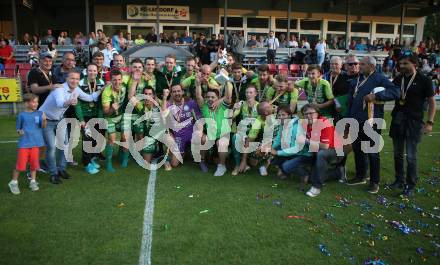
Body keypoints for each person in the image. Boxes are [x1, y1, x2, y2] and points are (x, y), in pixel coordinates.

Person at [346, 56, 400, 193]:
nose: (359, 66)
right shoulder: (357, 79)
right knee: (358, 149)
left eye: (362, 64)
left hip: (372, 120)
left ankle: (374, 182)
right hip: (356, 120)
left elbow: (395, 92)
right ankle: (360, 176)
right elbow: (351, 101)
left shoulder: (380, 78)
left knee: (372, 152)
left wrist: (377, 96)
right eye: (359, 64)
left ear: (372, 66)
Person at [39, 70, 101, 184]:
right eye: (72, 78)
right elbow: (60, 103)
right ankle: (53, 173)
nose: (75, 81)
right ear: (66, 79)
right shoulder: (59, 89)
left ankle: (61, 169)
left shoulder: (76, 89)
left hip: (59, 119)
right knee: (52, 148)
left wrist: (102, 89)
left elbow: (89, 97)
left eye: (77, 79)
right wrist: (69, 102)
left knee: (65, 145)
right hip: (45, 120)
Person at [389, 52, 437, 197]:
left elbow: (432, 102)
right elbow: (389, 93)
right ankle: (399, 179)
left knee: (410, 156)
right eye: (400, 63)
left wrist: (430, 122)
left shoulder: (425, 80)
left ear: (414, 64)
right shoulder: (398, 79)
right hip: (398, 119)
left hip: (414, 122)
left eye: (405, 63)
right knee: (397, 154)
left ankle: (410, 185)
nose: (401, 66)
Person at [300, 104, 344, 197]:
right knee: (311, 178)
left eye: (311, 113)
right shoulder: (306, 124)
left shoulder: (325, 122)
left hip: (335, 151)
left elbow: (325, 146)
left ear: (317, 113)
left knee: (321, 153)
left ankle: (317, 187)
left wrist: (306, 141)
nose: (308, 116)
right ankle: (338, 172)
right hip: (318, 150)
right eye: (305, 114)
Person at [194, 73, 233, 176]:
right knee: (203, 138)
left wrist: (227, 81)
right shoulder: (204, 107)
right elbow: (198, 96)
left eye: (213, 97)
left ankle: (222, 166)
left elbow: (228, 97)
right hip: (211, 136)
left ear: (218, 97)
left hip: (222, 136)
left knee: (222, 143)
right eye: (208, 97)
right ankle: (202, 161)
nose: (210, 99)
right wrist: (198, 84)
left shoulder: (222, 106)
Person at [8, 93, 46, 195]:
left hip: (36, 144)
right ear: (26, 103)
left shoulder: (39, 113)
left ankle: (33, 182)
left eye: (37, 102)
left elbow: (42, 126)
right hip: (24, 145)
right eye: (33, 102)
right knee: (20, 165)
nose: (36, 104)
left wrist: (44, 119)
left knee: (34, 164)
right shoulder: (21, 115)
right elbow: (18, 128)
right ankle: (13, 182)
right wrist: (20, 131)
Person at [271, 106, 313, 187]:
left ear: (289, 115)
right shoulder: (282, 125)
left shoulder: (297, 126)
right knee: (275, 151)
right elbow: (278, 140)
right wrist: (270, 148)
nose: (281, 117)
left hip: (304, 154)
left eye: (283, 115)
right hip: (293, 152)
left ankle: (305, 174)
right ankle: (286, 173)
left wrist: (277, 152)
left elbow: (296, 148)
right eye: (279, 115)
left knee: (286, 165)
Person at [75, 64, 106, 174]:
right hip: (85, 116)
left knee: (94, 139)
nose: (92, 72)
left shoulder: (101, 83)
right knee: (87, 139)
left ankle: (91, 160)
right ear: (86, 71)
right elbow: (77, 104)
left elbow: (101, 102)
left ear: (97, 71)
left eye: (94, 70)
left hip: (96, 115)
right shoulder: (80, 83)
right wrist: (81, 119)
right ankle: (86, 164)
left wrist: (100, 117)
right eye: (90, 70)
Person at [165, 84, 201, 169]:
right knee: (174, 164)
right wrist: (170, 134)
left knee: (203, 139)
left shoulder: (191, 102)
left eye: (178, 91)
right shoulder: (168, 105)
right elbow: (164, 122)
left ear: (182, 91)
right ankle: (179, 153)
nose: (177, 93)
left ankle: (201, 159)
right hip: (179, 136)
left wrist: (199, 131)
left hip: (192, 134)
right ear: (171, 93)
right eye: (174, 92)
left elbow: (199, 118)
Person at [101, 69, 128, 172]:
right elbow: (106, 112)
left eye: (119, 79)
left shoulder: (124, 85)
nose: (117, 82)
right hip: (110, 117)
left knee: (125, 136)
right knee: (112, 139)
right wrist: (112, 108)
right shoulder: (106, 93)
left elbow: (131, 74)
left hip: (121, 116)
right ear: (110, 81)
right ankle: (108, 162)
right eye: (114, 80)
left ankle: (124, 158)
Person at [231, 85, 260, 176]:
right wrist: (234, 108)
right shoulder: (242, 104)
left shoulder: (259, 106)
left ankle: (245, 162)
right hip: (243, 131)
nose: (248, 94)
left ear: (255, 94)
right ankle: (237, 164)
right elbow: (232, 116)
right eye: (247, 92)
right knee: (235, 137)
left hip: (255, 132)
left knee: (253, 162)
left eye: (251, 92)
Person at [323, 56, 350, 120]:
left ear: (341, 65)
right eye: (331, 64)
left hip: (341, 106)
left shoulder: (347, 76)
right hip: (328, 106)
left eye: (336, 64)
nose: (333, 66)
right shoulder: (325, 76)